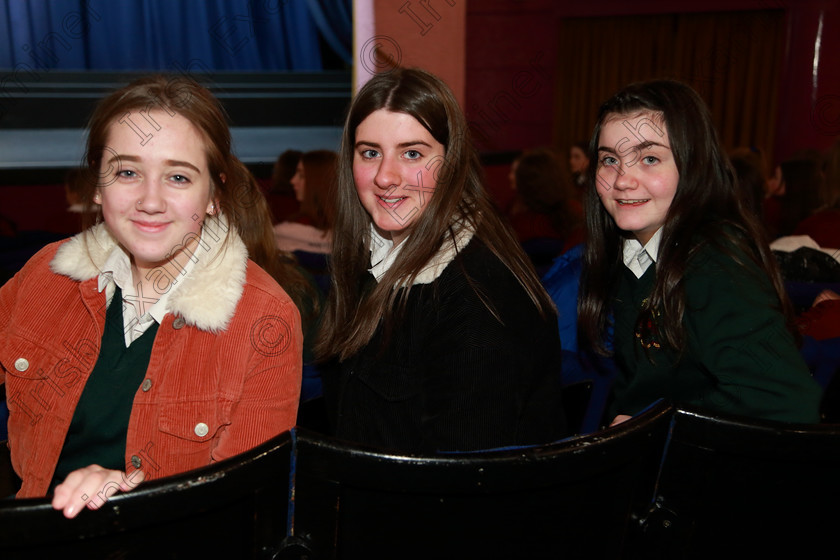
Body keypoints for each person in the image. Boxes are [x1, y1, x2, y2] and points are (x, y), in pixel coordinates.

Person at [0, 75, 303, 514]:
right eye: (127, 172)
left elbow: (246, 506)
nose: (150, 200)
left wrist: (135, 492)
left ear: (214, 195)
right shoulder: (46, 274)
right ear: (98, 185)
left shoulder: (265, 319)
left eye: (178, 177)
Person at [316, 68, 567, 453]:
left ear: (451, 162)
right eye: (370, 153)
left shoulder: (478, 299)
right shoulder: (371, 259)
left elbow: (464, 484)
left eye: (412, 153)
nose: (385, 176)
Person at [577, 79, 822, 426]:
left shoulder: (714, 261)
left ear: (692, 165)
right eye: (609, 159)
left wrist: (651, 428)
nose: (622, 180)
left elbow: (784, 401)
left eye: (649, 158)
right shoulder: (633, 253)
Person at [507, 148, 584, 271]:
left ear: (525, 182)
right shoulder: (575, 212)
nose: (510, 176)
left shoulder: (520, 221)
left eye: (515, 173)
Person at [274, 150, 336, 255]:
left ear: (319, 183)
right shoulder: (355, 236)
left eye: (301, 175)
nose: (293, 181)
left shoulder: (282, 235)